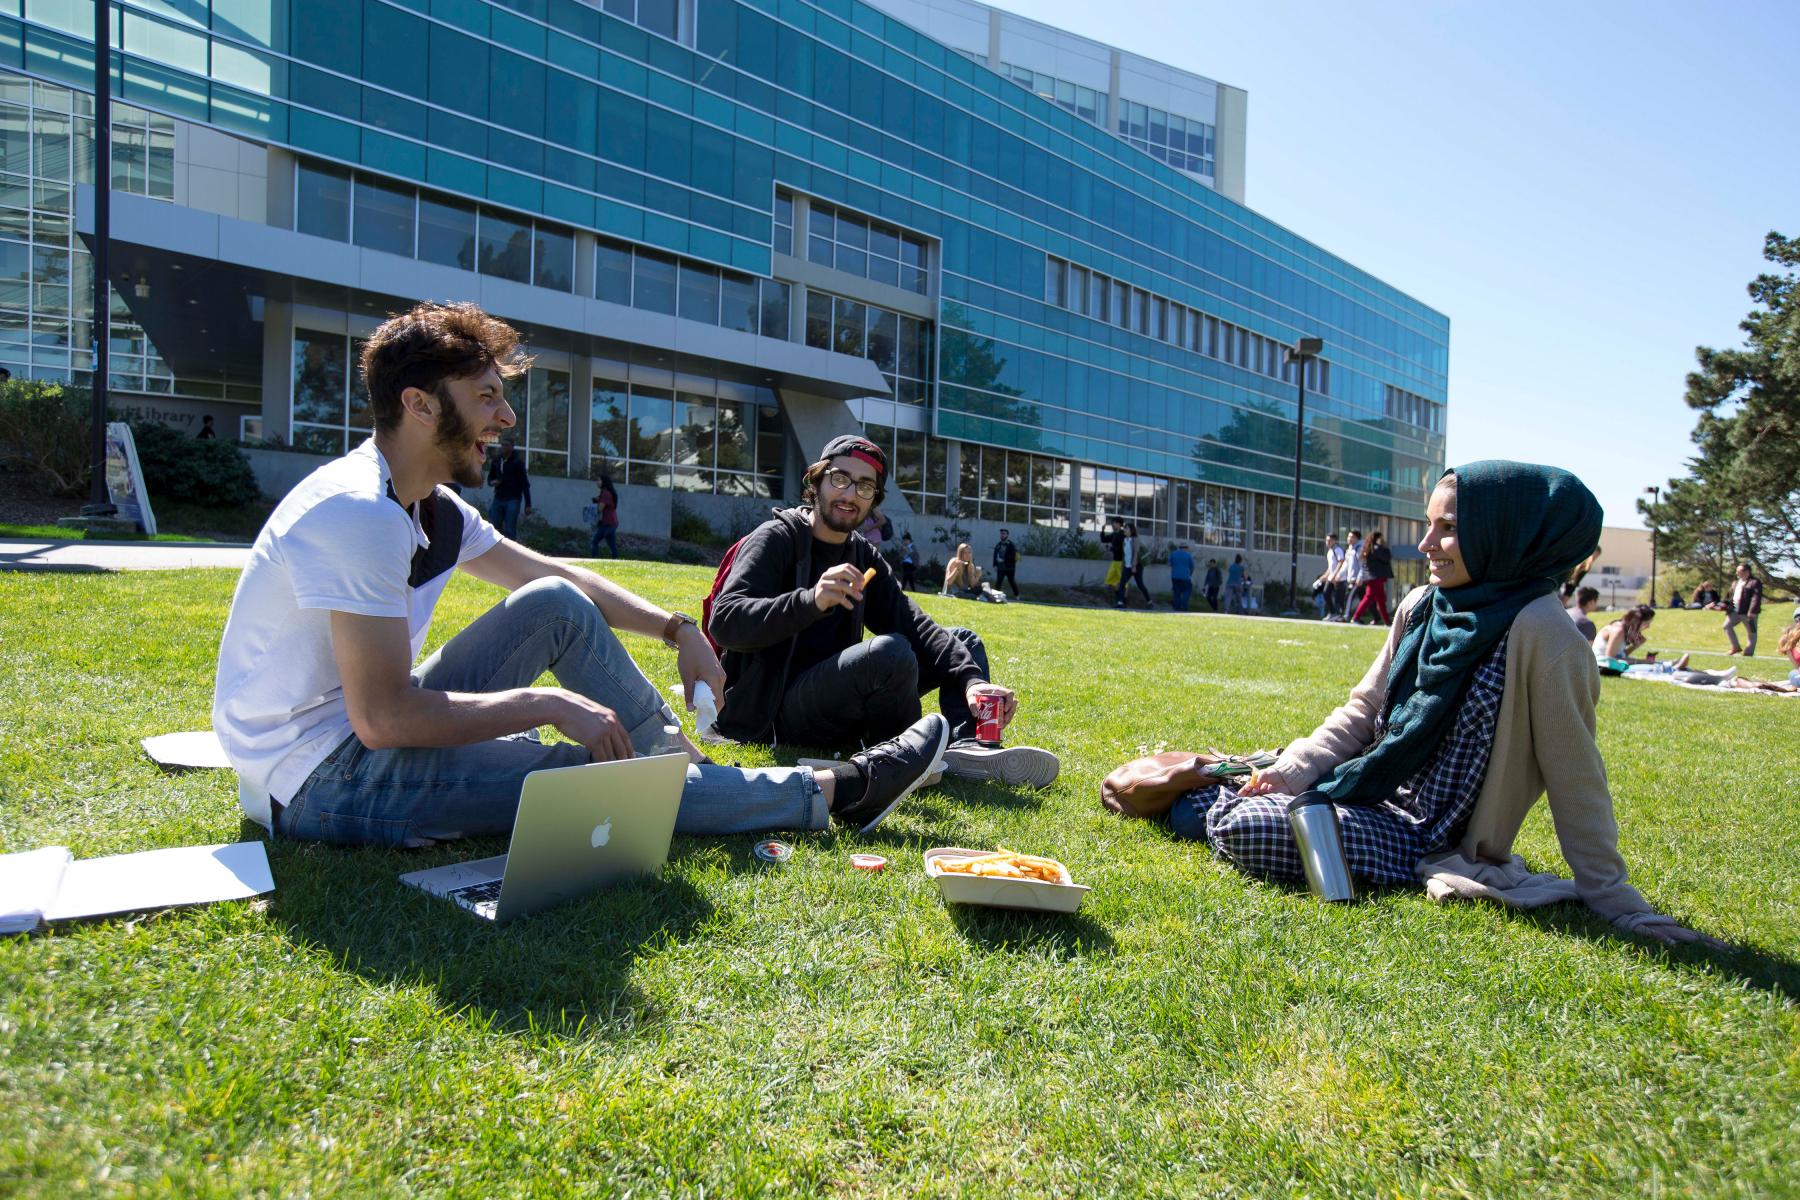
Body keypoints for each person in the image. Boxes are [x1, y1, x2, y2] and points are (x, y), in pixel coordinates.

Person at [211, 303, 941, 849]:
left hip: (357, 736)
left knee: (552, 602)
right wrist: (547, 706)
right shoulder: (358, 511)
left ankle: (678, 761)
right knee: (590, 775)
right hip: (320, 779)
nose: (507, 416)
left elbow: (557, 581)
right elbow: (384, 721)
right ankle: (836, 791)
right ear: (419, 404)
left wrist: (677, 628)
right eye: (487, 397)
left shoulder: (428, 507)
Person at [1166, 460, 1714, 946]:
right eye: (1430, 525)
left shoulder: (1547, 636)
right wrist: (1294, 769)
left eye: (1449, 528)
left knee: (1247, 826)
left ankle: (1226, 806)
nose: (1427, 544)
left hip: (1427, 833)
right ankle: (1237, 792)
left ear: (1506, 534)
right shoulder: (1422, 605)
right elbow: (1363, 711)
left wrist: (1614, 898)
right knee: (1234, 789)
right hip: (1371, 786)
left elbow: (1577, 776)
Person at [708, 434, 1059, 788]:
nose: (849, 495)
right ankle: (904, 753)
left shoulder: (861, 554)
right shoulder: (776, 538)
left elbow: (913, 623)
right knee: (891, 652)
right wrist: (810, 600)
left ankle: (968, 749)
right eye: (840, 478)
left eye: (864, 487)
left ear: (874, 500)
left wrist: (972, 681)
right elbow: (725, 622)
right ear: (816, 481)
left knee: (962, 642)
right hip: (777, 710)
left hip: (839, 694)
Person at [1593, 604, 1689, 669]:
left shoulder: (1623, 629)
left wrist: (1635, 646)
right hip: (1600, 665)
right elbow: (1610, 659)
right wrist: (1640, 661)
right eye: (1646, 623)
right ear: (1637, 622)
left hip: (1606, 663)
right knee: (1643, 664)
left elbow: (1619, 655)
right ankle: (1669, 665)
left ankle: (1669, 664)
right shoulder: (1618, 630)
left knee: (1643, 663)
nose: (1648, 627)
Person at [485, 434, 530, 539]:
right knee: (494, 526)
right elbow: (490, 477)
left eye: (506, 445)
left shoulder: (517, 462)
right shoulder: (497, 460)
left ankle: (511, 551)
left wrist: (528, 504)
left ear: (512, 447)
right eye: (502, 445)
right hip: (499, 498)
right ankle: (496, 550)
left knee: (510, 529)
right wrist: (492, 482)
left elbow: (525, 483)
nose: (504, 447)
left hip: (513, 498)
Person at [1350, 531, 1394, 625]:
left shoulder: (1368, 548)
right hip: (1376, 578)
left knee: (1381, 600)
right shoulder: (1378, 549)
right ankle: (1355, 618)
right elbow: (1387, 557)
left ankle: (1387, 621)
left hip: (1372, 577)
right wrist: (1384, 547)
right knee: (1369, 598)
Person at [1722, 563, 1762, 656]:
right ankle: (1735, 647)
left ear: (1747, 572)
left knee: (1751, 632)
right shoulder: (1736, 583)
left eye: (1738, 571)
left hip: (1748, 612)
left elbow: (1756, 598)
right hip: (1735, 611)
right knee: (1727, 626)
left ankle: (1748, 652)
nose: (1736, 573)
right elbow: (1729, 596)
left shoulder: (1754, 582)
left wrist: (1752, 611)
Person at [1113, 522, 1152, 608]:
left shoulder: (1135, 539)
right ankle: (1120, 603)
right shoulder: (1125, 540)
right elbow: (1125, 555)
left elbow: (1136, 553)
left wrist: (1134, 566)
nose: (1125, 530)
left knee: (1140, 585)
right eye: (1124, 528)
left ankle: (1149, 601)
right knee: (1122, 584)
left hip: (1136, 566)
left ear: (1131, 530)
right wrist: (1123, 565)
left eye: (1126, 528)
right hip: (1127, 566)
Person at [589, 473, 619, 559]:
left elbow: (599, 509)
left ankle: (594, 560)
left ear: (604, 482)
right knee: (612, 546)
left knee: (594, 542)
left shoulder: (606, 493)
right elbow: (599, 499)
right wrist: (596, 499)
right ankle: (615, 560)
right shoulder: (605, 493)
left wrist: (591, 508)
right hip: (609, 523)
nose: (597, 482)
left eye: (599, 480)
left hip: (609, 524)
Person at [1320, 532, 1348, 622]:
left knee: (1338, 597)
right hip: (1331, 577)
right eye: (1327, 540)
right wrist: (1325, 575)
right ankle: (1332, 612)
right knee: (1326, 593)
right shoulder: (1330, 551)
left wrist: (1335, 575)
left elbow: (1341, 562)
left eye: (1330, 540)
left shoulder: (1338, 550)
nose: (1328, 542)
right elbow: (1331, 566)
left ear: (1335, 541)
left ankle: (1339, 615)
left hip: (1339, 578)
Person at [1342, 529, 1367, 619]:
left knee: (1349, 597)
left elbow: (1362, 565)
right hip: (1351, 578)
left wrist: (1359, 577)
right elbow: (1346, 565)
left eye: (1351, 537)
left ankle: (1346, 616)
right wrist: (1340, 576)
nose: (1349, 538)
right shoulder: (1349, 550)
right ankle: (1375, 616)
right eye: (1348, 536)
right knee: (1364, 599)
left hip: (1357, 579)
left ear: (1357, 538)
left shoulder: (1359, 549)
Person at [992, 528, 1020, 599]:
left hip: (1009, 568)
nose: (1002, 535)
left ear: (1007, 535)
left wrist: (1003, 559)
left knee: (1011, 581)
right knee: (998, 582)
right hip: (1000, 567)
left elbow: (1013, 556)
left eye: (1004, 534)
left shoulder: (1011, 545)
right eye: (1001, 534)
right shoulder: (998, 545)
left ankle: (1017, 595)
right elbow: (995, 555)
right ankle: (996, 596)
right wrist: (995, 565)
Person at [1169, 543, 1195, 611]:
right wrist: (1190, 574)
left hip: (1175, 576)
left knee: (1177, 592)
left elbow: (1169, 563)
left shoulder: (1173, 554)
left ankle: (1177, 607)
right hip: (1185, 577)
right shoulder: (1188, 555)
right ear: (1185, 548)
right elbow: (1192, 567)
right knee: (1188, 590)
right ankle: (1184, 605)